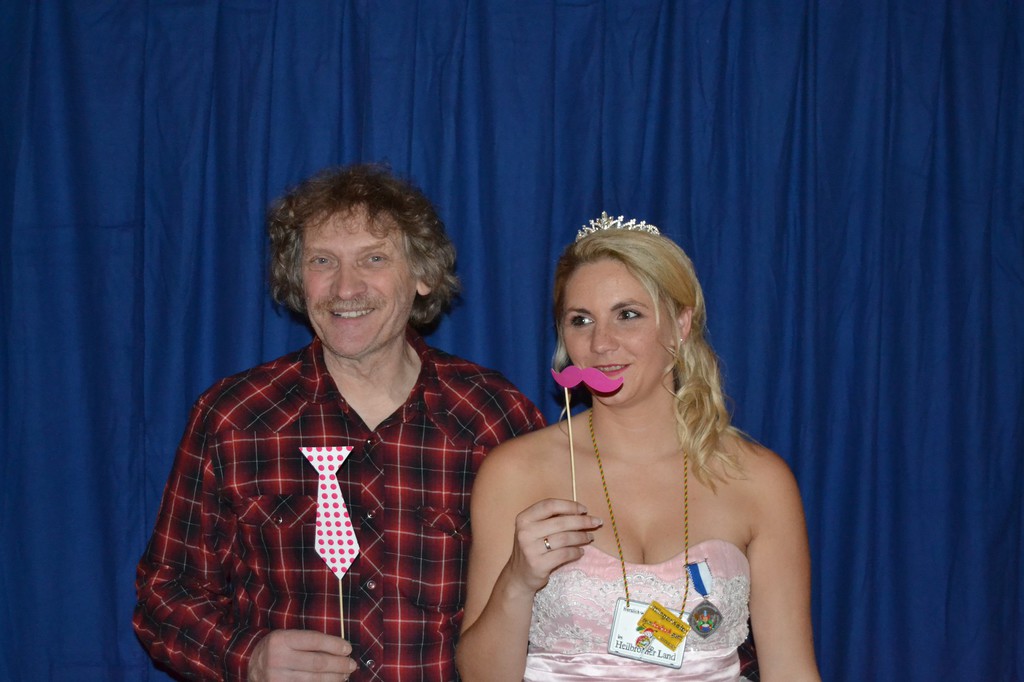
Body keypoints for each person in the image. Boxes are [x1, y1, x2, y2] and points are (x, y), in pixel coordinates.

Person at [134, 164, 545, 682]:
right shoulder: (234, 416)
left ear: (422, 276)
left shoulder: (495, 416)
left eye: (374, 259)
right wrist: (246, 657)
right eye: (322, 261)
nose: (345, 287)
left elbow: (557, 597)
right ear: (297, 278)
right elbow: (166, 593)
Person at [457, 214, 819, 681]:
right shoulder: (517, 472)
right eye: (580, 320)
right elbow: (480, 675)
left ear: (681, 323)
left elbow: (792, 670)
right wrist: (517, 581)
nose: (601, 343)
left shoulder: (758, 480)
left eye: (627, 315)